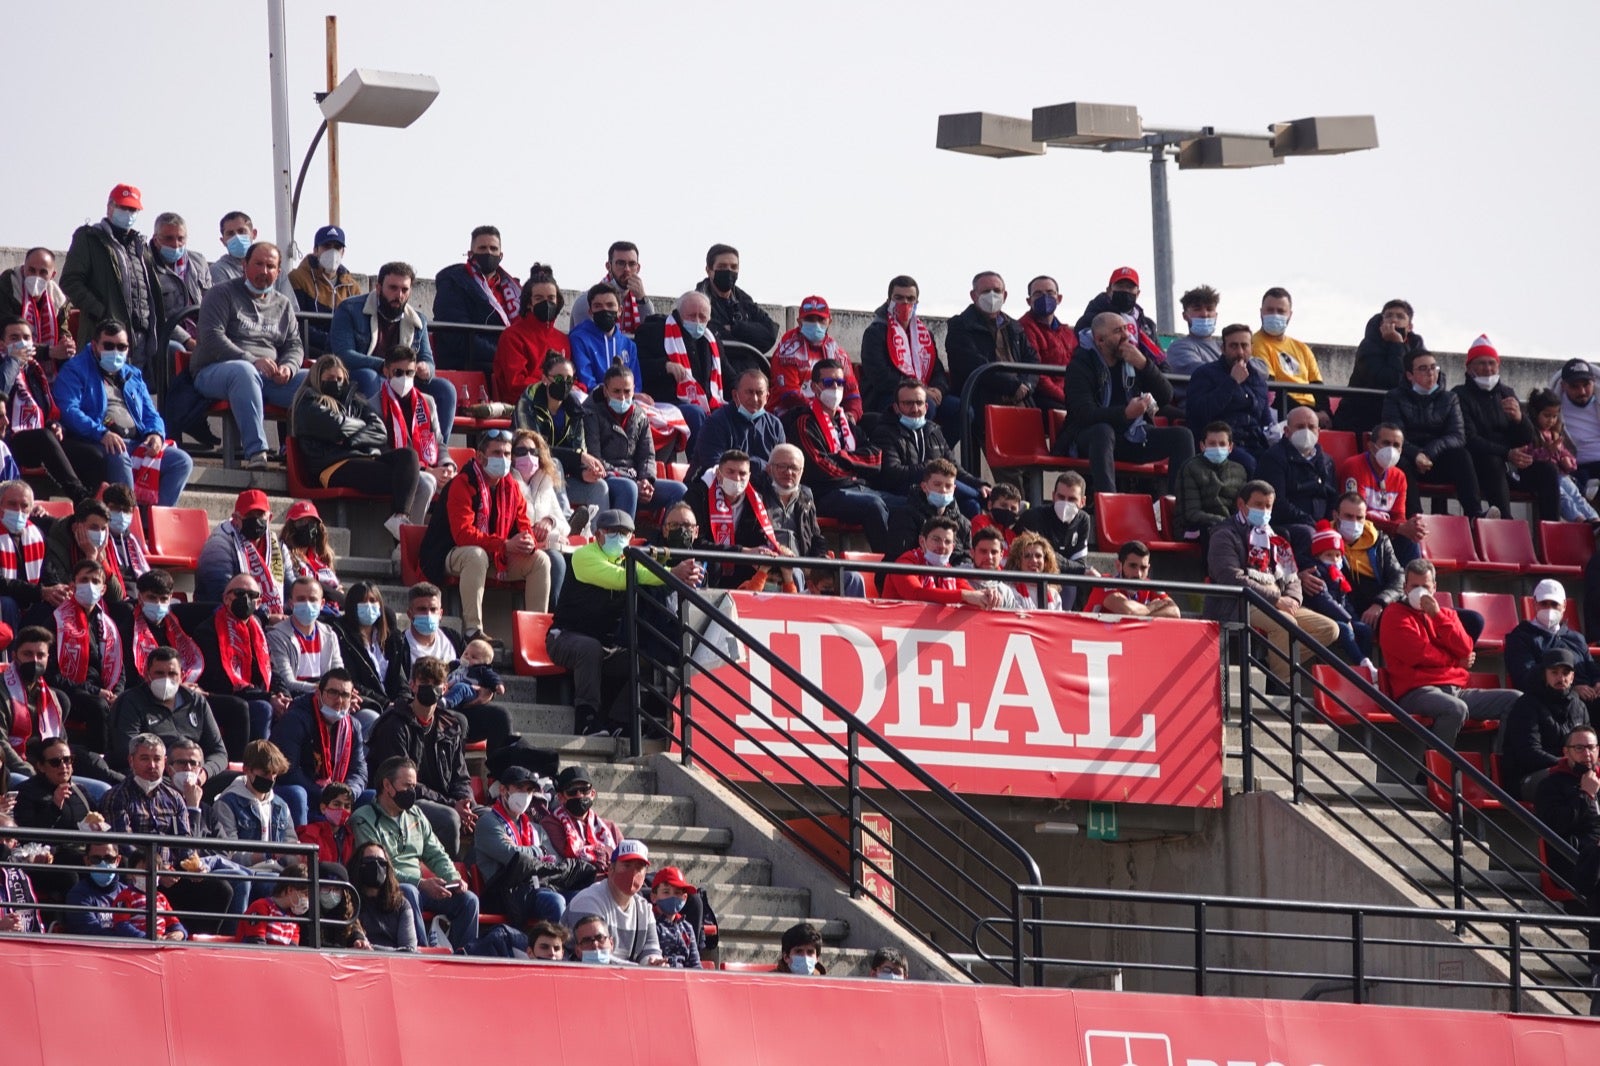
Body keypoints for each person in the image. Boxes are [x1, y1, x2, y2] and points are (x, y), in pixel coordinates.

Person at [547, 511, 702, 736]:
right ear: (598, 534)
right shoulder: (584, 556)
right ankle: (586, 719)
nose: (618, 537)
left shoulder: (629, 559)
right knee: (589, 648)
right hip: (564, 637)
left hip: (608, 646)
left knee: (647, 655)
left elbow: (640, 572)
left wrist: (681, 573)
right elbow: (622, 578)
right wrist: (671, 574)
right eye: (612, 532)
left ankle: (618, 721)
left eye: (624, 533)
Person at [419, 429, 552, 642]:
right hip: (448, 554)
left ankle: (536, 636)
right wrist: (505, 544)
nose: (504, 459)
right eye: (497, 453)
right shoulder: (462, 483)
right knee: (476, 555)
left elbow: (523, 525)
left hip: (494, 555)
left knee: (540, 560)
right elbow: (463, 535)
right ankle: (473, 630)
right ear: (481, 457)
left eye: (507, 454)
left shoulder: (511, 488)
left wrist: (528, 540)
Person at [1204, 481, 1340, 688]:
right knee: (1286, 623)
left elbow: (1292, 576)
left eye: (1268, 506)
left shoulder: (1274, 537)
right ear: (1241, 504)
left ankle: (1271, 663)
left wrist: (1293, 599)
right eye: (1258, 505)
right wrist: (1276, 600)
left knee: (1329, 629)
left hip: (1277, 603)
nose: (1264, 511)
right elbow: (1230, 577)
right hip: (1238, 603)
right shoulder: (1224, 534)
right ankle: (1281, 684)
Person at [1378, 559, 1520, 748]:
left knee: (1516, 700)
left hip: (1455, 689)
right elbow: (1419, 655)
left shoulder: (1446, 615)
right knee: (1454, 709)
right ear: (1405, 588)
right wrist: (1455, 661)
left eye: (1425, 587)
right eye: (1414, 586)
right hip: (1416, 691)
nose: (1420, 592)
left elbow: (1465, 648)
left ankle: (1503, 767)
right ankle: (1432, 773)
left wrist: (1437, 615)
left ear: (1434, 588)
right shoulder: (1393, 614)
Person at [192, 241, 308, 470]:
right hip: (216, 371)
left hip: (268, 378)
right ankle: (256, 452)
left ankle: (306, 458)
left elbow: (295, 345)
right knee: (244, 372)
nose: (264, 271)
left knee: (313, 380)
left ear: (279, 272)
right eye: (258, 264)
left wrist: (288, 367)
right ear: (245, 265)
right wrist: (252, 360)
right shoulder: (221, 293)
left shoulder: (284, 305)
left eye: (270, 266)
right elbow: (211, 336)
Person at [54, 318, 193, 505]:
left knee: (181, 461)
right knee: (118, 454)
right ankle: (129, 520)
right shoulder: (75, 370)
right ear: (95, 346)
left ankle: (150, 522)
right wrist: (101, 433)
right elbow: (69, 410)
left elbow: (150, 413)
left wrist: (155, 434)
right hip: (97, 440)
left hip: (136, 442)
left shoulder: (132, 374)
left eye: (121, 347)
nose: (115, 352)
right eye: (108, 345)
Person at [99, 732, 234, 923]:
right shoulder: (117, 796)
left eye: (156, 759)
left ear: (164, 762)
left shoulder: (174, 797)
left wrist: (192, 865)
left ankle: (191, 943)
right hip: (137, 873)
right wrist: (158, 870)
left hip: (172, 872)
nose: (151, 765)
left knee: (220, 889)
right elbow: (125, 845)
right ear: (131, 761)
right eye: (144, 758)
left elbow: (185, 839)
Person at [1055, 312, 1193, 497]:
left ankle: (1178, 506)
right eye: (1118, 331)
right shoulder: (1080, 365)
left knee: (1182, 436)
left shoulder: (1134, 359)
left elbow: (1165, 397)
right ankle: (1109, 504)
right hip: (1090, 441)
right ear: (1100, 340)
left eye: (1126, 329)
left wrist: (1145, 365)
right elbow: (1084, 414)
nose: (1126, 336)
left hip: (1132, 436)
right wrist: (1125, 414)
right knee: (1103, 431)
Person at [292, 354, 425, 541]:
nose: (336, 383)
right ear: (318, 379)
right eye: (330, 379)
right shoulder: (308, 402)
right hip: (332, 465)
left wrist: (349, 440)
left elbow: (380, 431)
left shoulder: (355, 401)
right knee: (399, 478)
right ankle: (399, 541)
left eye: (339, 379)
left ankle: (399, 517)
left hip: (362, 457)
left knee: (408, 457)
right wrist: (360, 428)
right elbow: (336, 427)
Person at [352, 756, 479, 949]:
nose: (412, 792)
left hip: (422, 887)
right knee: (409, 892)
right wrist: (420, 883)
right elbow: (378, 868)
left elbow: (436, 853)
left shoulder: (416, 814)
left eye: (414, 786)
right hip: (388, 889)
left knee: (469, 900)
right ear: (387, 785)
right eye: (407, 786)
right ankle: (424, 953)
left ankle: (465, 956)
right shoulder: (364, 819)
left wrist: (453, 878)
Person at [329, 261, 457, 443]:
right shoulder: (350, 309)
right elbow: (343, 355)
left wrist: (424, 368)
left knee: (446, 390)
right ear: (378, 287)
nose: (399, 295)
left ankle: (436, 450)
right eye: (393, 288)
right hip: (363, 379)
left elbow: (428, 360)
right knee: (370, 376)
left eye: (405, 289)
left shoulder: (418, 320)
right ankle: (374, 444)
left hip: (403, 380)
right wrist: (384, 366)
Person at [366, 656, 476, 857]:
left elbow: (461, 775)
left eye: (436, 684)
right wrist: (452, 805)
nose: (430, 688)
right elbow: (401, 784)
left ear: (444, 688)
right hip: (405, 799)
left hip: (445, 800)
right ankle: (448, 878)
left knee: (485, 818)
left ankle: (475, 881)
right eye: (424, 683)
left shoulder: (451, 725)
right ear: (412, 685)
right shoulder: (394, 724)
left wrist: (465, 801)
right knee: (450, 819)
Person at [786, 358, 889, 552]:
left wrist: (842, 458)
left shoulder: (847, 423)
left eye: (840, 383)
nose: (835, 387)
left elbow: (876, 459)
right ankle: (888, 570)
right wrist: (857, 466)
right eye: (829, 383)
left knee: (906, 503)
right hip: (826, 495)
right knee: (873, 505)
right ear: (815, 388)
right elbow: (820, 468)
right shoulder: (805, 423)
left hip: (859, 488)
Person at [1455, 334, 1558, 521]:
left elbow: (1528, 438)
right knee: (1493, 461)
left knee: (1548, 471)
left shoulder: (1506, 393)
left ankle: (1551, 527)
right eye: (1481, 363)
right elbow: (1468, 438)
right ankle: (1506, 523)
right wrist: (1506, 453)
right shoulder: (1459, 395)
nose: (1487, 369)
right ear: (1469, 368)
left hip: (1512, 466)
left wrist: (1520, 419)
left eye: (1491, 363)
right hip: (1480, 466)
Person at [60, 184, 162, 366]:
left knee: (136, 390)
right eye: (123, 207)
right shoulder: (89, 238)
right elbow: (70, 282)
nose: (128, 213)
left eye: (133, 209)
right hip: (104, 337)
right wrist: (102, 312)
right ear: (110, 207)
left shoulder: (141, 246)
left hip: (142, 340)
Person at [1380, 349, 1487, 519]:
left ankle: (1476, 516)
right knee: (1399, 461)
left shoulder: (1449, 398)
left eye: (1433, 367)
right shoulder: (1394, 398)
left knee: (1462, 456)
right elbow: (1394, 435)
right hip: (1409, 457)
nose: (1430, 373)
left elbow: (1458, 435)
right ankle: (1416, 517)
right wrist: (1416, 455)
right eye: (1423, 369)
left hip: (1436, 459)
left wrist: (1429, 453)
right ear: (1409, 375)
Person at [0, 317, 91, 502]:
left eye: (26, 337)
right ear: (2, 344)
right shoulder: (5, 366)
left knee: (93, 454)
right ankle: (82, 499)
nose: (21, 343)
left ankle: (102, 510)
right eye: (14, 338)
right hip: (10, 440)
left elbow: (42, 411)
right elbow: (1, 389)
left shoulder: (33, 371)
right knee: (43, 437)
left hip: (37, 438)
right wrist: (14, 361)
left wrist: (55, 425)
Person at [579, 365, 687, 520]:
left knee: (679, 490)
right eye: (616, 391)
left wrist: (646, 480)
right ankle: (622, 540)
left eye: (627, 391)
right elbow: (594, 459)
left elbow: (647, 455)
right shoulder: (590, 413)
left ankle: (666, 538)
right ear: (605, 391)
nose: (622, 397)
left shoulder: (639, 414)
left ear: (633, 390)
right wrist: (630, 479)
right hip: (607, 478)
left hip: (635, 479)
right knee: (629, 488)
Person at [109, 642, 228, 784]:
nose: (166, 679)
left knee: (235, 782)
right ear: (147, 675)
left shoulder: (196, 702)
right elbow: (127, 750)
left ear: (182, 676)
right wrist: (170, 771)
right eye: (159, 673)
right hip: (153, 776)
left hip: (196, 775)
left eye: (172, 674)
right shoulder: (130, 701)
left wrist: (204, 773)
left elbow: (219, 752)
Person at [1299, 493, 1405, 642]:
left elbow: (1399, 577)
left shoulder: (1379, 540)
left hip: (1376, 602)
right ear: (1336, 516)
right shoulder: (1319, 537)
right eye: (1348, 516)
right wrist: (1300, 576)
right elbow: (1301, 566)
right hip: (1342, 604)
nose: (1354, 522)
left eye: (1359, 517)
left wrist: (1380, 603)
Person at [872, 380, 987, 516]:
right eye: (908, 403)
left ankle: (985, 500)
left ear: (926, 407)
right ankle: (990, 500)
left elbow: (954, 468)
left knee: (972, 505)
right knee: (968, 494)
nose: (915, 409)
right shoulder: (884, 432)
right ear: (896, 407)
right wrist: (930, 470)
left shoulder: (933, 431)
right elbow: (892, 473)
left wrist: (978, 484)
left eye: (919, 403)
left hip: (935, 488)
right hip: (904, 492)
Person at [860, 275, 957, 436]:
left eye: (910, 299)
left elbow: (937, 371)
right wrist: (921, 392)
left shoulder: (924, 335)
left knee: (961, 410)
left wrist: (938, 389)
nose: (905, 303)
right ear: (888, 300)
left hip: (926, 394)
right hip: (886, 396)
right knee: (926, 407)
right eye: (899, 298)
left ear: (916, 303)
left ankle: (939, 452)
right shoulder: (875, 333)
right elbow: (881, 377)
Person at [946, 271, 1039, 435]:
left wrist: (1026, 385)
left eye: (997, 290)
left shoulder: (1014, 327)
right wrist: (1013, 386)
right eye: (985, 291)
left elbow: (1032, 359)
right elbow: (971, 363)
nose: (992, 295)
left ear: (1005, 295)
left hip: (1021, 400)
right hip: (982, 400)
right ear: (974, 295)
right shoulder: (960, 326)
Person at [474, 764, 567, 927]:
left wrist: (532, 852)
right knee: (555, 902)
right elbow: (513, 856)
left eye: (529, 791)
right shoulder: (488, 822)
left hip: (534, 887)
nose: (525, 795)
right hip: (504, 893)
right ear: (503, 790)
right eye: (519, 788)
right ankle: (552, 950)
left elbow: (554, 858)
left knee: (577, 896)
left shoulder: (532, 827)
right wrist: (539, 851)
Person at [195, 575, 279, 756]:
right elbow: (219, 679)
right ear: (226, 598)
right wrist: (267, 696)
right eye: (239, 593)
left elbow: (272, 669)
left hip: (255, 693)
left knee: (292, 706)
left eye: (252, 595)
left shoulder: (257, 629)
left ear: (259, 602)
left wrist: (282, 694)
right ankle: (256, 764)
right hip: (225, 695)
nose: (246, 599)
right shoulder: (208, 630)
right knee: (263, 708)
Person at [271, 668, 368, 824]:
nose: (339, 701)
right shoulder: (295, 719)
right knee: (297, 793)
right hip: (307, 794)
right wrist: (325, 794)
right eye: (333, 693)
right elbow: (287, 771)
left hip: (336, 797)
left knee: (370, 798)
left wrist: (348, 793)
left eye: (345, 695)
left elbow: (359, 771)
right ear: (318, 694)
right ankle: (301, 844)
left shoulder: (353, 726)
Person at [516, 352, 600, 522]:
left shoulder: (575, 409)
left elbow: (578, 447)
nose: (565, 385)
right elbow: (535, 449)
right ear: (545, 379)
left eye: (570, 380)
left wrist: (583, 472)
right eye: (560, 379)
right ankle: (567, 521)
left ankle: (598, 536)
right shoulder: (527, 403)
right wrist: (578, 457)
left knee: (600, 487)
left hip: (560, 479)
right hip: (527, 472)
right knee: (554, 463)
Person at [49, 559, 123, 751]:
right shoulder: (56, 620)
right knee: (98, 706)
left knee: (129, 702)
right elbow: (52, 675)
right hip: (72, 691)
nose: (90, 585)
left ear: (104, 589)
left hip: (104, 692)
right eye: (84, 580)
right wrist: (95, 691)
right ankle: (100, 758)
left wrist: (117, 694)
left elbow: (119, 668)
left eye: (95, 581)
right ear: (72, 585)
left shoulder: (107, 625)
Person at [685, 449, 784, 589]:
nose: (737, 478)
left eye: (742, 474)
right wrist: (742, 551)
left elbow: (759, 537)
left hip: (741, 566)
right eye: (731, 472)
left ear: (749, 476)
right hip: (708, 563)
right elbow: (696, 542)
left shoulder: (756, 500)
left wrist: (764, 550)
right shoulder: (698, 495)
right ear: (719, 474)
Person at [1503, 649, 1591, 802]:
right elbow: (1528, 753)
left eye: (1565, 673)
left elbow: (1589, 744)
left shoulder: (1579, 706)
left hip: (1571, 771)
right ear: (1545, 675)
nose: (1560, 678)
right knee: (1566, 782)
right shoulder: (1526, 705)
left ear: (1572, 677)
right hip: (1528, 777)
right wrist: (1567, 764)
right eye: (1554, 672)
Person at [1183, 322, 1273, 470]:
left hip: (1254, 442)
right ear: (1223, 349)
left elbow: (1264, 417)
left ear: (1251, 348)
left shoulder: (1257, 380)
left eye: (1244, 346)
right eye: (1233, 346)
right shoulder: (1205, 374)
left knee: (1278, 463)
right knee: (1249, 464)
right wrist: (1232, 382)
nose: (1240, 352)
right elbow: (1200, 413)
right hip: (1221, 444)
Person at [635, 290, 724, 440]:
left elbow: (727, 373)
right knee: (695, 413)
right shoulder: (654, 331)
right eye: (691, 316)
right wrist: (664, 366)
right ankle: (701, 462)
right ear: (679, 313)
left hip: (708, 402)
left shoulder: (711, 340)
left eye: (702, 317)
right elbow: (638, 367)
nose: (697, 321)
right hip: (667, 401)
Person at [1532, 726, 1600, 919]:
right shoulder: (1551, 785)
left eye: (1591, 747)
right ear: (1566, 752)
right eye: (1579, 748)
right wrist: (1585, 795)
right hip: (1573, 859)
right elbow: (1554, 827)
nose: (1587, 754)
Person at [432, 225, 520, 373]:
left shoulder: (514, 290)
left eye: (493, 249)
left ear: (501, 255)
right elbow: (456, 337)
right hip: (470, 365)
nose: (488, 253)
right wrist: (503, 354)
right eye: (482, 248)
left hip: (509, 363)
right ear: (470, 254)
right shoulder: (453, 283)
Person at [1337, 423, 1426, 565]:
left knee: (1410, 539)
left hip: (1386, 534)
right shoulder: (1354, 467)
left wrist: (1409, 527)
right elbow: (1355, 515)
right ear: (1371, 446)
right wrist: (1398, 527)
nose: (1391, 449)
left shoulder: (1399, 476)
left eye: (1396, 445)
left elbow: (1398, 516)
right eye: (1386, 443)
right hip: (1359, 531)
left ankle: (1415, 582)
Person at [565, 838, 665, 965]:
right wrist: (641, 969)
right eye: (627, 866)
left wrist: (654, 963)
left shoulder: (644, 909)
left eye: (639, 868)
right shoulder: (588, 901)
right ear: (611, 869)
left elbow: (651, 950)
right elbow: (595, 955)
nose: (632, 873)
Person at [1255, 406, 1339, 554]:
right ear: (1287, 431)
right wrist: (1311, 522)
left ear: (1319, 431)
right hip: (1288, 524)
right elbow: (1277, 502)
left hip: (1320, 524)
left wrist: (1330, 524)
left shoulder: (1327, 461)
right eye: (1300, 427)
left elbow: (1332, 496)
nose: (1306, 431)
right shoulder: (1273, 458)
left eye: (1311, 427)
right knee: (1309, 534)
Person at [1336, 299, 1426, 433]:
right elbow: (1390, 381)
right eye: (1389, 316)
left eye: (1400, 317)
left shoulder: (1416, 345)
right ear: (1381, 322)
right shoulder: (1368, 345)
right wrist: (1397, 345)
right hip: (1363, 417)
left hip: (1404, 417)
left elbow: (1433, 379)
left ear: (1410, 326)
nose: (1393, 320)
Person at [768, 295, 862, 421]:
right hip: (789, 416)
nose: (816, 324)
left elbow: (852, 392)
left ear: (829, 321)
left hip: (832, 417)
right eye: (810, 319)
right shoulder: (786, 352)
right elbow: (789, 395)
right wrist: (823, 414)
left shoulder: (839, 355)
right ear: (799, 322)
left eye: (821, 319)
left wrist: (852, 415)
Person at [195, 489, 288, 611]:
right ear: (235, 518)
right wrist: (265, 616)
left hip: (269, 616)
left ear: (269, 518)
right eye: (249, 515)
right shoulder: (218, 545)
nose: (255, 520)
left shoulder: (278, 546)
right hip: (226, 614)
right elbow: (221, 594)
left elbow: (292, 590)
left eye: (260, 515)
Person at [1300, 524, 1376, 673]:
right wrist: (1347, 619)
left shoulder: (1339, 575)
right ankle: (1361, 662)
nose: (1334, 559)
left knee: (1365, 629)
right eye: (1328, 555)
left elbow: (1345, 600)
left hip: (1341, 616)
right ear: (1318, 556)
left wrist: (1353, 618)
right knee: (1344, 629)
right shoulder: (1316, 572)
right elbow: (1323, 600)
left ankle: (1366, 664)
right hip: (1323, 616)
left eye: (1337, 555)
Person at [209, 740, 297, 869]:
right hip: (245, 874)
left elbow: (291, 843)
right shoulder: (226, 804)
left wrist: (297, 856)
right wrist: (267, 854)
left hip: (277, 875)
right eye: (265, 773)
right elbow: (229, 854)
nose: (271, 779)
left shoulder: (281, 805)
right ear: (247, 770)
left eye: (274, 773)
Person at [1504, 580, 1600, 695]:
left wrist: (1598, 683)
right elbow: (1525, 678)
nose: (1549, 609)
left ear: (1564, 605)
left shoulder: (1577, 638)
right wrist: (1570, 690)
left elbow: (1593, 670)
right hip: (1547, 703)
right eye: (1544, 604)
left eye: (1554, 604)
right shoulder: (1521, 638)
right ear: (1534, 603)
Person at [492, 264, 570, 403]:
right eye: (539, 298)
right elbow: (516, 383)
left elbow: (569, 377)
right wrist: (553, 385)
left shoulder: (562, 339)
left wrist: (572, 387)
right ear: (529, 303)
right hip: (524, 407)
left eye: (551, 298)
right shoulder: (512, 336)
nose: (546, 303)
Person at [881, 517, 1000, 608]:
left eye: (947, 542)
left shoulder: (948, 570)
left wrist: (986, 596)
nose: (942, 546)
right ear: (922, 541)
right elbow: (915, 594)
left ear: (953, 547)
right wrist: (964, 595)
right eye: (936, 539)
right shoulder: (905, 562)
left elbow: (969, 592)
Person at [690, 367, 785, 480]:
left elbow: (782, 466)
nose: (754, 398)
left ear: (767, 397)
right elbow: (717, 467)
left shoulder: (775, 425)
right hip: (718, 489)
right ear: (735, 395)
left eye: (759, 393)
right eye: (749, 392)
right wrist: (760, 466)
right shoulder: (716, 422)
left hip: (763, 490)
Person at [267, 577, 345, 708]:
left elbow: (339, 674)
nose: (307, 604)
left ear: (322, 603)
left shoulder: (330, 635)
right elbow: (287, 682)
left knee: (367, 716)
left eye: (313, 599)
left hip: (329, 700)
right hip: (297, 701)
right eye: (301, 599)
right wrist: (327, 691)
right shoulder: (276, 636)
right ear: (291, 604)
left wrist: (345, 693)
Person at [1014, 472, 1093, 600]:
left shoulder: (1083, 520)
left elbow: (1079, 562)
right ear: (1053, 496)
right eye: (1061, 497)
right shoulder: (1034, 517)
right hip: (1030, 576)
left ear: (1082, 501)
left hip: (1062, 579)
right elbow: (1045, 557)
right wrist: (1080, 569)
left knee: (1078, 584)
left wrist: (1078, 569)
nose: (1065, 503)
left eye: (1072, 499)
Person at [0, 478, 65, 632]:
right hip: (6, 601)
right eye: (12, 504)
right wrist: (40, 592)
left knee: (56, 602)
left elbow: (47, 574)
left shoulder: (37, 535)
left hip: (29, 601)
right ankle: (10, 654)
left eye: (24, 506)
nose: (18, 510)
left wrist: (57, 589)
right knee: (7, 603)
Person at [1526, 389, 1600, 524]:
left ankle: (1594, 518)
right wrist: (1548, 451)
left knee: (1576, 494)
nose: (1551, 420)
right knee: (1562, 496)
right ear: (1535, 413)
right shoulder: (1531, 433)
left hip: (1561, 473)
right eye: (1547, 415)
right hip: (1545, 476)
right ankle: (1579, 520)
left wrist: (1568, 461)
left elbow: (1565, 452)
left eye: (1554, 416)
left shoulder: (1554, 434)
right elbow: (1531, 456)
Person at [287, 225, 362, 357]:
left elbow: (358, 325)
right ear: (316, 250)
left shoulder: (352, 286)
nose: (332, 252)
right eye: (327, 246)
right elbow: (295, 322)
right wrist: (330, 340)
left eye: (337, 247)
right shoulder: (298, 278)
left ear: (343, 252)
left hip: (342, 351)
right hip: (308, 349)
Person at [1251, 287, 1325, 417]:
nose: (1275, 315)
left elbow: (1318, 386)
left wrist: (1325, 413)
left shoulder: (1302, 348)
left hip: (1311, 411)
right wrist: (1309, 414)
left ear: (1290, 314)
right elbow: (1272, 391)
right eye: (1270, 310)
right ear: (1261, 312)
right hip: (1282, 410)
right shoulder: (1254, 343)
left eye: (1280, 311)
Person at [0, 247, 75, 372]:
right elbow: (9, 340)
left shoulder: (59, 300)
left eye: (43, 272)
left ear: (53, 275)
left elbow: (63, 333)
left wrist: (67, 345)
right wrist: (48, 351)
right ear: (24, 269)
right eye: (32, 270)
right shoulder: (6, 290)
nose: (36, 276)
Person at [694, 243, 778, 354]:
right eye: (722, 267)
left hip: (750, 366)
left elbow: (770, 333)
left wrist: (735, 329)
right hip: (717, 367)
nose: (729, 271)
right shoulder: (696, 302)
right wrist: (748, 338)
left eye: (734, 267)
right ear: (709, 270)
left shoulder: (743, 299)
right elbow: (710, 337)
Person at [1071, 267, 1164, 367]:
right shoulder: (1092, 319)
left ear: (1137, 293)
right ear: (1109, 290)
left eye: (1130, 287)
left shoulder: (1147, 325)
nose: (1125, 291)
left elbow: (1162, 363)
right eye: (1120, 286)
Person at [44, 498, 128, 607]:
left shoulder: (102, 547)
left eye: (103, 529)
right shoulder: (55, 545)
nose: (100, 534)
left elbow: (116, 597)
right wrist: (90, 559)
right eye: (94, 527)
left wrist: (102, 561)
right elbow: (70, 592)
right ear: (76, 528)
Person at [884, 459, 971, 563]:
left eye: (948, 486)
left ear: (954, 489)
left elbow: (967, 559)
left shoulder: (964, 523)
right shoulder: (904, 516)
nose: (943, 490)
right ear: (924, 487)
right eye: (937, 484)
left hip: (954, 577)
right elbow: (901, 560)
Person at [1177, 423, 1249, 542]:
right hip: (1194, 527)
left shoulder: (1239, 471)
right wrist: (1226, 522)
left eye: (1222, 444)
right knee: (1213, 530)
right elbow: (1191, 514)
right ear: (1202, 446)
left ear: (1230, 447)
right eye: (1212, 444)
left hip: (1227, 525)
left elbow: (1240, 509)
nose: (1217, 448)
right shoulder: (1190, 468)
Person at [568, 281, 641, 395]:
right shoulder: (579, 338)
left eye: (610, 305)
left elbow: (636, 384)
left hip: (625, 401)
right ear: (590, 312)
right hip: (593, 402)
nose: (605, 310)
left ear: (620, 311)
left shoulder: (629, 345)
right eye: (598, 306)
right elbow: (587, 381)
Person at [1016, 276, 1075, 413]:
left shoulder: (1067, 332)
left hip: (1071, 394)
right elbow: (1037, 373)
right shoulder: (1022, 328)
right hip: (1044, 397)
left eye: (1050, 293)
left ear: (1059, 298)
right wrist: (1065, 397)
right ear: (1029, 301)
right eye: (1038, 294)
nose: (1045, 298)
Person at [570, 241, 654, 335]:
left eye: (631, 264)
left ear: (638, 268)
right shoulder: (587, 301)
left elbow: (650, 334)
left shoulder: (643, 302)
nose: (627, 269)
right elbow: (584, 340)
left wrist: (642, 300)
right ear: (608, 266)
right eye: (621, 263)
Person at [1081, 541, 1181, 618]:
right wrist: (1151, 607)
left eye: (1143, 568)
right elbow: (1128, 611)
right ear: (1119, 565)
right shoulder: (1105, 582)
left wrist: (1142, 614)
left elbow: (1175, 612)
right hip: (1091, 640)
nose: (1138, 573)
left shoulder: (1150, 585)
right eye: (1132, 566)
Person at [352, 839, 419, 951]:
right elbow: (359, 945)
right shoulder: (350, 902)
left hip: (396, 966)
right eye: (370, 861)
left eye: (382, 862)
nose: (376, 866)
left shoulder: (402, 904)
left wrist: (372, 949)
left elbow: (409, 950)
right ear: (359, 865)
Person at [62, 838, 126, 936]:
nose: (103, 864)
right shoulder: (77, 896)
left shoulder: (128, 893)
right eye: (96, 859)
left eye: (109, 859)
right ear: (87, 861)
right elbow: (92, 932)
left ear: (117, 860)